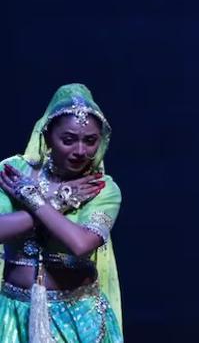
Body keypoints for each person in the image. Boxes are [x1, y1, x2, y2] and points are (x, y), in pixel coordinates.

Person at [0, 84, 123, 342]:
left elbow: (80, 244)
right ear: (47, 137)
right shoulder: (14, 172)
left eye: (90, 140)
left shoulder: (101, 189)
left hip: (77, 317)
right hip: (13, 313)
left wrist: (34, 200)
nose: (80, 151)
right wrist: (59, 200)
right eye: (68, 140)